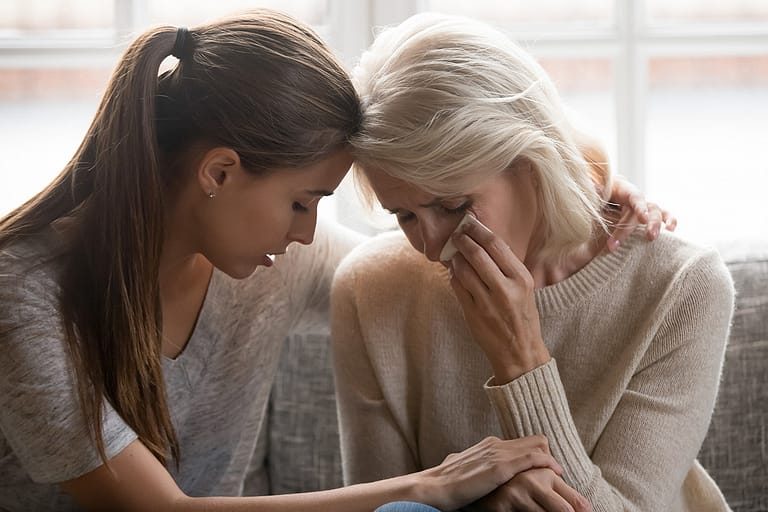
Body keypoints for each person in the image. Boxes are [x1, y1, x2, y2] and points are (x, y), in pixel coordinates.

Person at [0, 8, 670, 512]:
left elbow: (411, 273)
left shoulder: (276, 259)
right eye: (304, 201)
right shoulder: (24, 293)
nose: (310, 231)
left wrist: (581, 187)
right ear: (219, 172)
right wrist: (432, 483)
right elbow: (164, 511)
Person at [332, 12, 733, 512]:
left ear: (532, 161)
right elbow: (392, 511)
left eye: (453, 206)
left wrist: (522, 362)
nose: (434, 248)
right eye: (404, 216)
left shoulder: (683, 289)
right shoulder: (369, 289)